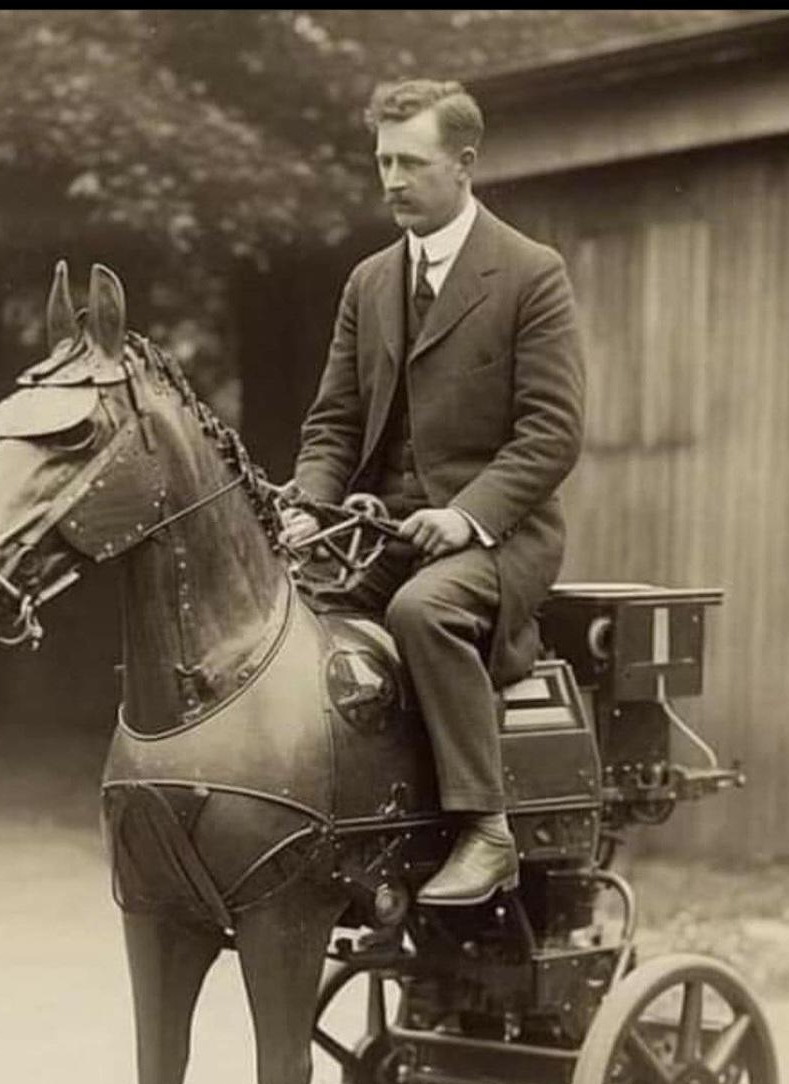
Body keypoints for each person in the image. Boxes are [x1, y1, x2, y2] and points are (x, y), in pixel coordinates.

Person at [283, 77, 585, 905]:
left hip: (502, 539)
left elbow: (551, 435)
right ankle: (328, 821)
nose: (390, 181)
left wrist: (466, 516)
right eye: (382, 161)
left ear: (464, 164)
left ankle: (485, 831)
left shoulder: (530, 275)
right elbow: (333, 425)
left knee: (424, 611)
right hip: (382, 533)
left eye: (410, 163)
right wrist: (311, 507)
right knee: (285, 613)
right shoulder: (369, 283)